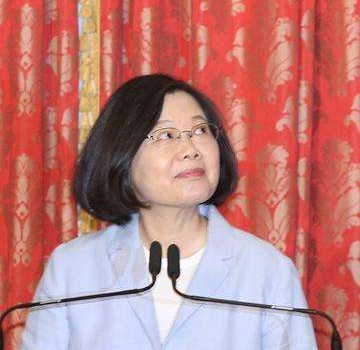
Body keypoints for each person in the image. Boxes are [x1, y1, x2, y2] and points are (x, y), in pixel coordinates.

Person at [20, 74, 317, 349]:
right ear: (121, 154)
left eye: (200, 130)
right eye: (166, 135)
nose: (191, 149)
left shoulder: (267, 270)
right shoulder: (72, 268)